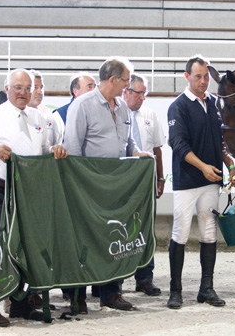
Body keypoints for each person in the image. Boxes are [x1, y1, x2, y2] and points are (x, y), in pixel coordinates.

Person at [0, 68, 68, 327]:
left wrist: (54, 149)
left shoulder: (38, 117)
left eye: (28, 87)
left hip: (30, 191)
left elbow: (42, 151)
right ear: (7, 88)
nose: (23, 92)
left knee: (26, 246)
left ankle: (20, 304)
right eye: (18, 87)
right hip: (1, 190)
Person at [63, 57, 152, 313]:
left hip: (116, 184)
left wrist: (139, 154)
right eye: (125, 81)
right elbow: (74, 148)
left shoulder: (123, 106)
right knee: (84, 240)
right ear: (112, 79)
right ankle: (77, 295)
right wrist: (79, 186)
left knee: (116, 237)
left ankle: (111, 293)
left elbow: (129, 143)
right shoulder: (82, 105)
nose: (127, 86)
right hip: (88, 184)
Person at [166, 55, 235, 309]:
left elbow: (221, 142)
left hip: (212, 178)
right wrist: (203, 167)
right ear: (187, 77)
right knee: (181, 232)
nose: (204, 81)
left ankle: (206, 288)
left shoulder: (215, 104)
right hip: (188, 180)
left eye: (206, 76)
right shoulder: (178, 106)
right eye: (198, 76)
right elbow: (178, 144)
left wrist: (229, 164)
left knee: (209, 233)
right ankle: (175, 291)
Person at [52, 71, 97, 301]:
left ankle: (98, 286)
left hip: (92, 184)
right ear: (75, 91)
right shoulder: (59, 115)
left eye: (95, 85)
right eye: (89, 86)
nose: (94, 90)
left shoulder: (100, 110)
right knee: (71, 238)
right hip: (68, 185)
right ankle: (71, 290)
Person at [121, 73, 165, 296]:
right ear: (125, 91)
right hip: (120, 181)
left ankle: (145, 278)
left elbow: (157, 148)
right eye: (138, 93)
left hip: (145, 181)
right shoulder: (116, 113)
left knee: (146, 228)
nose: (142, 98)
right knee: (119, 228)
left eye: (144, 93)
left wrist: (160, 177)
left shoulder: (150, 115)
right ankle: (115, 281)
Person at [28, 70, 63, 144]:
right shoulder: (13, 114)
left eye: (41, 87)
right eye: (35, 87)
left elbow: (57, 142)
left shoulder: (48, 114)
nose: (40, 91)